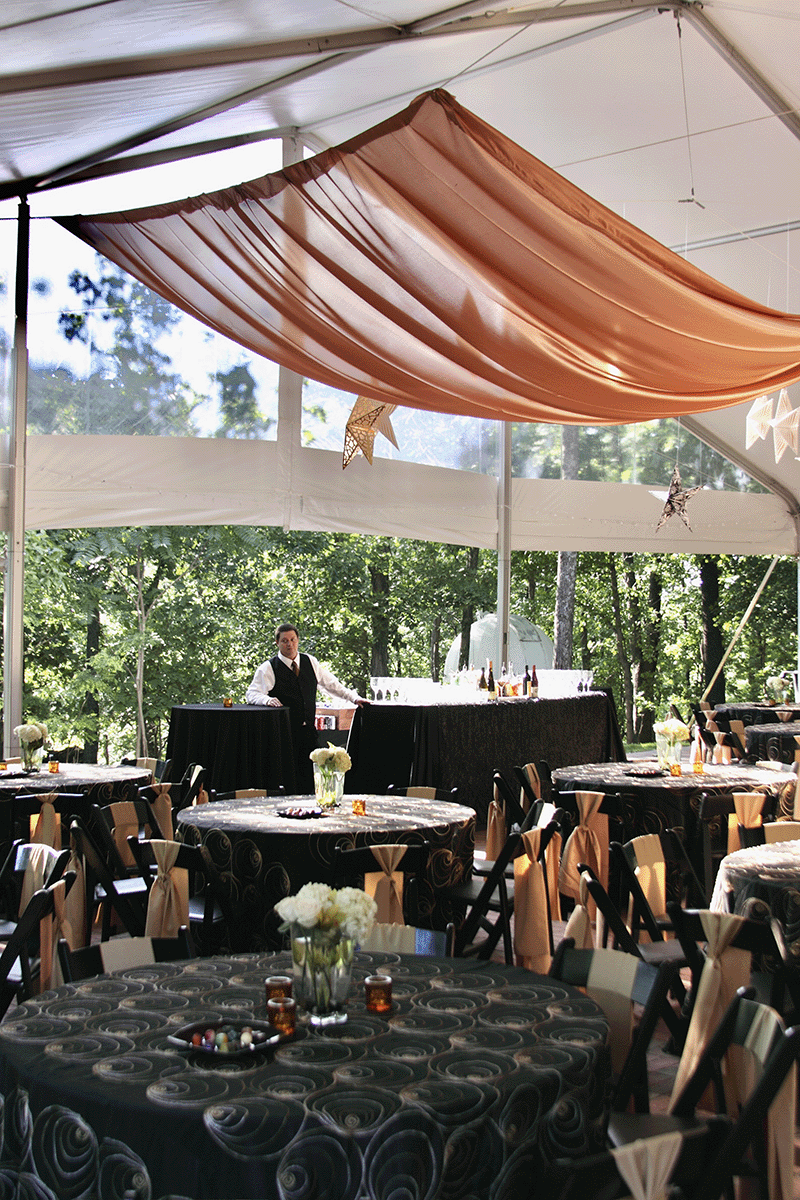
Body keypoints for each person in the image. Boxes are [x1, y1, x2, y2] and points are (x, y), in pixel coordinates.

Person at [246, 623, 368, 792]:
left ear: (297, 640)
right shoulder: (268, 668)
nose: (289, 644)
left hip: (309, 733)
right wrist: (266, 700)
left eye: (293, 640)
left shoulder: (310, 662)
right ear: (277, 643)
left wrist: (354, 698)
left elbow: (332, 685)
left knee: (310, 781)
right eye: (284, 641)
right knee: (287, 781)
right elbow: (252, 693)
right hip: (284, 735)